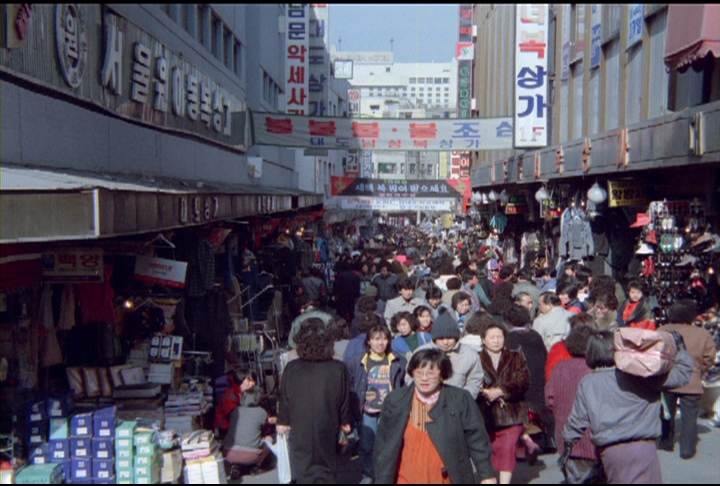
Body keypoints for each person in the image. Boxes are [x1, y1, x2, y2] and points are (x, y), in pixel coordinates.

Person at [562, 330, 694, 484]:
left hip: (610, 453)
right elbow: (683, 375)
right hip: (643, 449)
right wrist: (679, 349)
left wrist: (567, 446)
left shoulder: (588, 383)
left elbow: (576, 423)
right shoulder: (639, 375)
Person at [373, 348, 498, 484]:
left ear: (442, 375)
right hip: (405, 477)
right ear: (412, 373)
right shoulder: (395, 400)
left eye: (431, 373)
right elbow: (383, 446)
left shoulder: (460, 399)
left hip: (445, 478)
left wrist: (487, 475)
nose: (424, 378)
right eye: (419, 372)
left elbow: (477, 439)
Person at [277, 318, 352, 484]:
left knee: (303, 471)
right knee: (328, 471)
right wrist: (345, 422)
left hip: (300, 428)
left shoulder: (292, 368)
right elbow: (344, 399)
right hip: (328, 425)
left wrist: (282, 420)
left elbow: (284, 397)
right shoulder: (337, 368)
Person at [347, 325, 407, 484]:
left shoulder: (398, 360)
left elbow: (402, 384)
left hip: (389, 410)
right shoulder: (358, 361)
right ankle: (368, 474)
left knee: (388, 446)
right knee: (367, 445)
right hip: (367, 410)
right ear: (369, 341)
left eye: (384, 339)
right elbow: (351, 384)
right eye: (376, 339)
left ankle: (385, 476)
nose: (380, 343)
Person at [658, 299, 717, 459]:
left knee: (666, 413)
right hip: (691, 379)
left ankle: (666, 441)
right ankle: (687, 449)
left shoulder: (663, 330)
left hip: (667, 379)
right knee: (690, 417)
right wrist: (699, 370)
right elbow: (709, 358)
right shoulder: (702, 334)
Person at [478, 319, 531, 484]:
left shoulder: (516, 356)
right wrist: (485, 392)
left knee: (508, 449)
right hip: (486, 413)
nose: (495, 341)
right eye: (491, 337)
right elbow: (472, 381)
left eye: (499, 337)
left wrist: (501, 391)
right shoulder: (476, 357)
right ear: (483, 339)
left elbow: (524, 381)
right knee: (491, 450)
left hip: (511, 411)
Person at [544, 325, 598, 466]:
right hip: (593, 438)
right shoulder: (595, 370)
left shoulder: (559, 368)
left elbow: (549, 400)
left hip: (565, 435)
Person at [503, 304, 547, 462]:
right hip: (538, 377)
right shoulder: (535, 335)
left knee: (518, 414)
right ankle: (535, 441)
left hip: (521, 380)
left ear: (508, 321)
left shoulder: (510, 339)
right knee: (535, 413)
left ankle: (523, 447)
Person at [410, 308, 484, 400]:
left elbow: (474, 381)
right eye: (441, 338)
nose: (445, 342)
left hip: (457, 404)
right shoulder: (421, 353)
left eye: (449, 338)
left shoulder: (470, 355)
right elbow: (410, 378)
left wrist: (462, 399)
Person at [222, 389, 276, 479]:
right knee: (269, 439)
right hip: (251, 455)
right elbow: (269, 422)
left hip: (229, 453)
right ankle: (256, 465)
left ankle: (235, 465)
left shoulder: (235, 411)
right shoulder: (261, 412)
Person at [215, 370, 257, 440]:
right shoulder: (230, 396)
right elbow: (234, 417)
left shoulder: (247, 393)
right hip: (227, 429)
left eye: (253, 381)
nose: (253, 383)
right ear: (240, 380)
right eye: (249, 380)